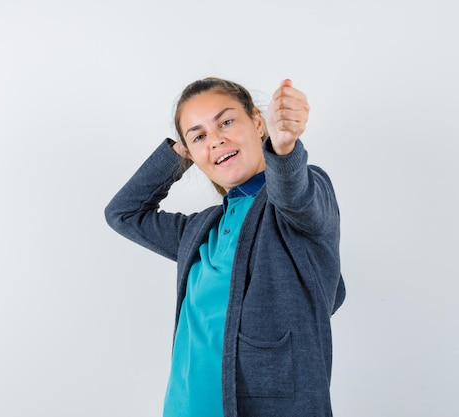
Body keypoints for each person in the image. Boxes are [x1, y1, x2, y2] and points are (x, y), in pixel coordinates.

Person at [104, 77, 345, 417]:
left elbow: (295, 194)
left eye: (227, 122)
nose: (216, 140)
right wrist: (180, 152)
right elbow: (123, 213)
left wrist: (283, 148)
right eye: (199, 135)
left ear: (257, 122)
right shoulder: (201, 230)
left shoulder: (292, 210)